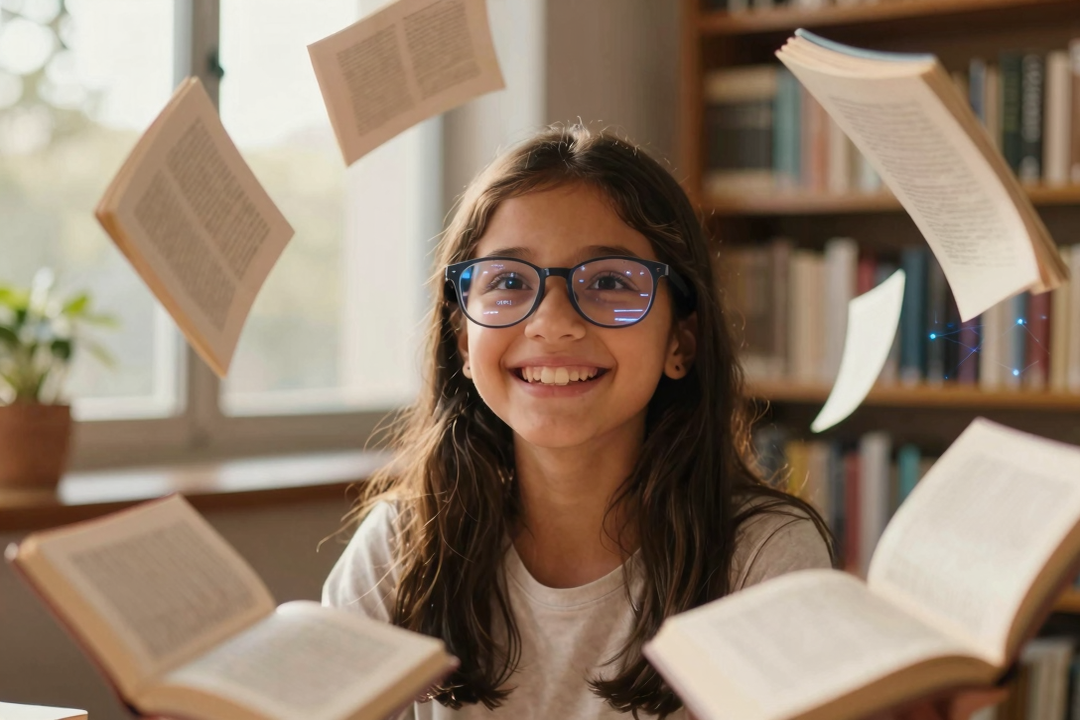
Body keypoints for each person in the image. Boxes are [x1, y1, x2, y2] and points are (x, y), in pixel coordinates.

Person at [323, 125, 1003, 720]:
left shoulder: (762, 559)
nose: (552, 321)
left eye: (611, 282)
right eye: (506, 281)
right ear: (463, 340)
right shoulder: (401, 551)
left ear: (681, 341)